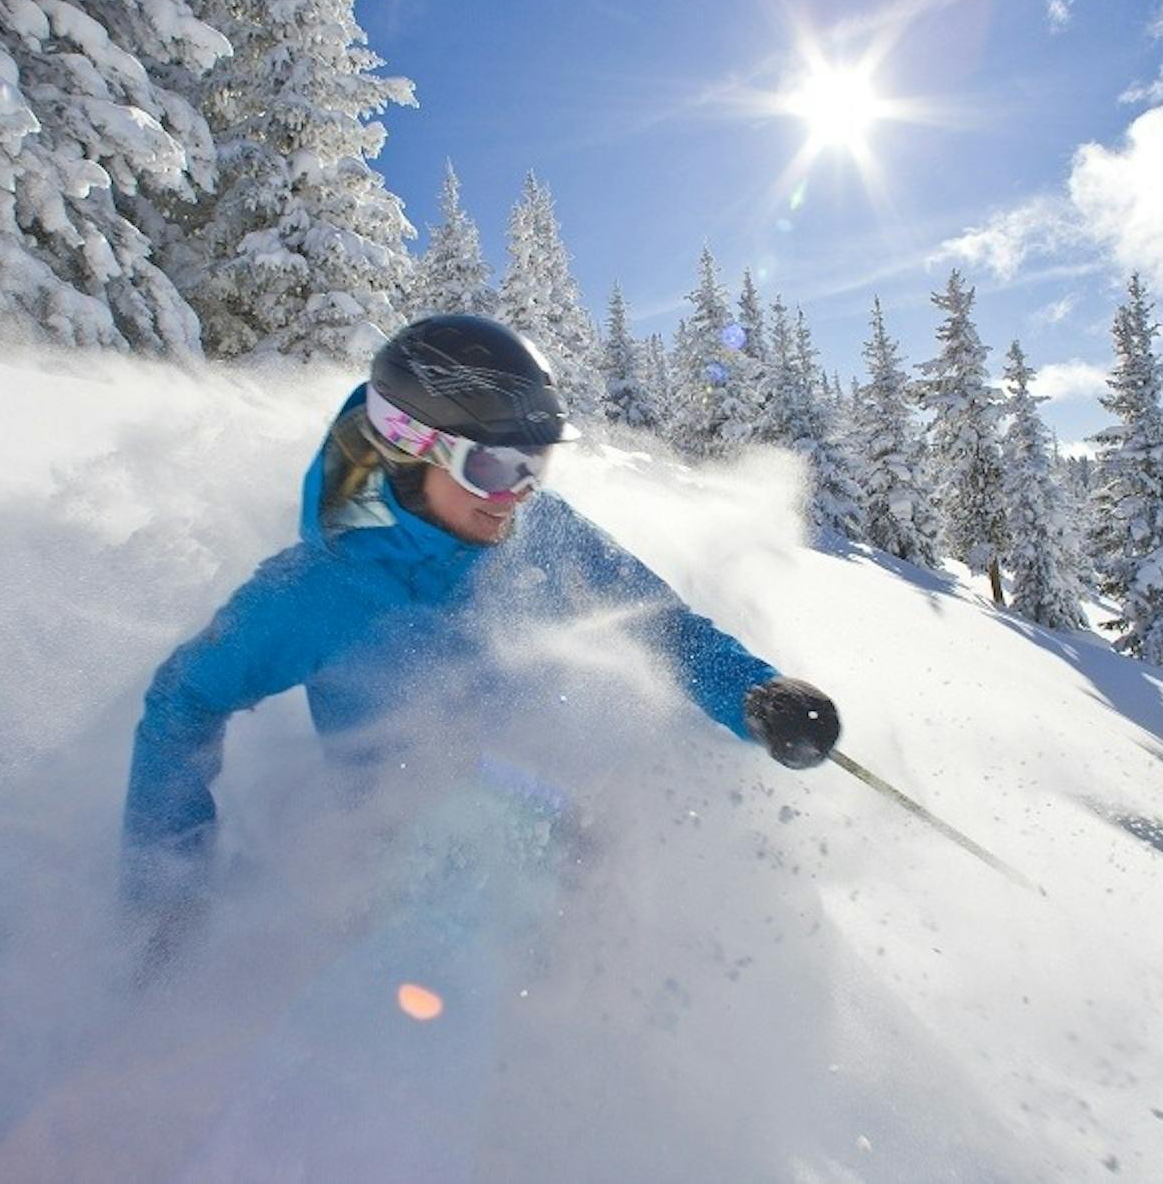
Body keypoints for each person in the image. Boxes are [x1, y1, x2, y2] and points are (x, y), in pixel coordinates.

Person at [120, 314, 840, 928]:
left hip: (533, 810)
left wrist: (756, 695)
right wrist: (168, 895)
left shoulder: (535, 530)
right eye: (496, 468)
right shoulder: (321, 590)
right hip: (398, 868)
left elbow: (655, 623)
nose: (519, 494)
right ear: (412, 450)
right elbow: (183, 700)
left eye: (537, 464)